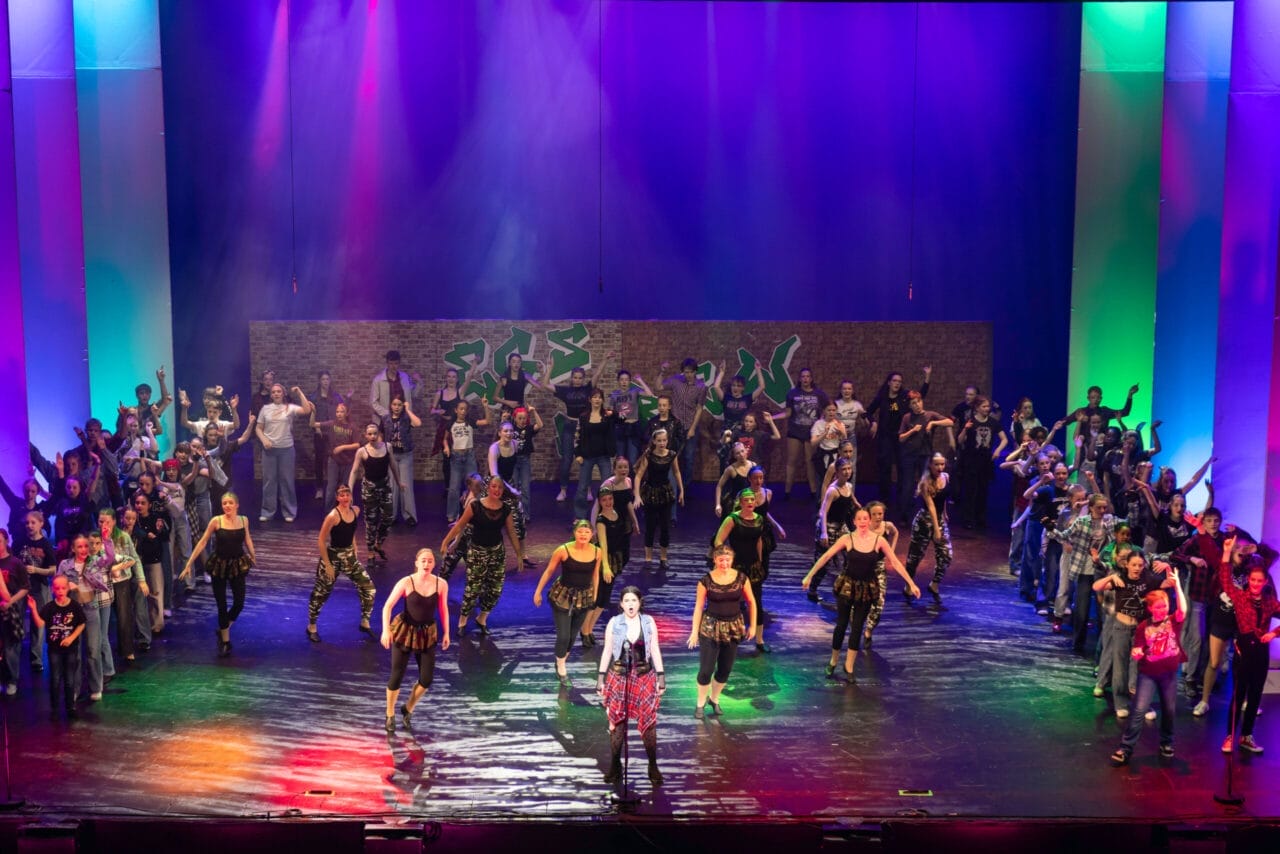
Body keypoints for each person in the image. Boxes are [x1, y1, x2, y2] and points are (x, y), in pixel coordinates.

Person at [804, 507, 919, 681]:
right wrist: (809, 575)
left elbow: (895, 562)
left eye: (867, 518)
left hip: (866, 589)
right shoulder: (847, 538)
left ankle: (849, 666)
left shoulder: (879, 541)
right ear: (855, 522)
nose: (864, 521)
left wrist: (911, 583)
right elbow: (826, 556)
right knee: (841, 625)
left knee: (857, 627)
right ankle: (833, 661)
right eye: (860, 519)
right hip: (847, 587)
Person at [1110, 571, 1188, 766]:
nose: (1163, 610)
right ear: (1151, 608)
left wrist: (1177, 585)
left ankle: (1166, 743)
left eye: (1165, 606)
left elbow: (1183, 609)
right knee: (1138, 710)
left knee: (1169, 710)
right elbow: (1138, 648)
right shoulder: (1143, 627)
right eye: (1159, 607)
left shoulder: (1173, 621)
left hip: (1169, 674)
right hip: (1148, 674)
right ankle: (1126, 748)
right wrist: (1136, 653)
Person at [1216, 536, 1280, 754]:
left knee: (1255, 695)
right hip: (1243, 648)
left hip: (1261, 650)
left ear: (1265, 583)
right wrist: (1226, 552)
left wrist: (1274, 633)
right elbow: (1224, 578)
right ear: (1248, 580)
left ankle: (1246, 736)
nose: (1255, 584)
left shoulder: (1271, 601)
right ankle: (1229, 736)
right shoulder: (1240, 596)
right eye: (1252, 580)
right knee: (1239, 693)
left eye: (1259, 581)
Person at [597, 586, 666, 786]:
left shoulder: (648, 621)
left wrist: (660, 675)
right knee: (617, 722)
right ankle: (615, 765)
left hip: (644, 677)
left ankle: (653, 765)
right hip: (619, 677)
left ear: (639, 603)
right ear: (621, 604)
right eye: (626, 601)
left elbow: (654, 649)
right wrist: (601, 677)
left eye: (634, 600)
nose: (630, 604)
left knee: (648, 722)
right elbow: (608, 650)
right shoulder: (614, 623)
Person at [1092, 550, 1174, 718]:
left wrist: (1167, 568)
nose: (1137, 568)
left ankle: (1141, 703)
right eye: (1134, 565)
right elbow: (1096, 586)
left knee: (1138, 666)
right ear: (1127, 564)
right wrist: (1109, 578)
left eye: (1140, 565)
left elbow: (1170, 583)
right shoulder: (1120, 578)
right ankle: (1120, 703)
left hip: (1139, 629)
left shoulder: (1149, 579)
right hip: (1121, 627)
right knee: (1120, 666)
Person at [381, 548, 450, 734]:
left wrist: (447, 633)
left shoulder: (441, 584)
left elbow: (443, 609)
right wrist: (385, 630)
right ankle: (390, 714)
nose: (426, 564)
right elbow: (387, 606)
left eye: (430, 561)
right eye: (423, 561)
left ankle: (408, 708)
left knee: (426, 679)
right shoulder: (406, 582)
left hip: (427, 634)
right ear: (416, 563)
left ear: (434, 564)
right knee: (397, 675)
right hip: (405, 631)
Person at [443, 476, 522, 635]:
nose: (497, 490)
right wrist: (446, 541)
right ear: (488, 488)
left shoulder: (505, 509)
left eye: (500, 488)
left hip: (496, 552)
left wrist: (519, 555)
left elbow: (512, 532)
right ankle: (463, 619)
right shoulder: (475, 506)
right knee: (473, 588)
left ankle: (482, 618)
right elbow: (460, 525)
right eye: (494, 486)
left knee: (495, 589)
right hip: (477, 551)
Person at [181, 492, 256, 658]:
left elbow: (248, 539)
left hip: (237, 564)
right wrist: (189, 563)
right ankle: (225, 641)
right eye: (224, 503)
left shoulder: (244, 520)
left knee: (239, 603)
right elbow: (203, 542)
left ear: (237, 505)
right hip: (219, 565)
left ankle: (223, 628)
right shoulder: (216, 521)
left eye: (230, 503)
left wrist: (253, 555)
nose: (227, 506)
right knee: (221, 604)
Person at [687, 544, 757, 719]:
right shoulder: (706, 581)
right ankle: (700, 703)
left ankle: (714, 699)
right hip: (710, 627)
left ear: (732, 560)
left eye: (727, 560)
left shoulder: (741, 578)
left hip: (733, 628)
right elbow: (698, 607)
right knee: (706, 669)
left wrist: (753, 626)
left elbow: (752, 602)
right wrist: (694, 632)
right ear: (715, 560)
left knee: (725, 668)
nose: (724, 563)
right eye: (721, 560)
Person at [533, 520, 602, 687]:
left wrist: (595, 595)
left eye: (587, 532)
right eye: (580, 532)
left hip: (584, 596)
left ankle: (562, 657)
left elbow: (595, 575)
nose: (583, 535)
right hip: (563, 595)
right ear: (575, 533)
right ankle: (561, 664)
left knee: (572, 635)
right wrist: (538, 591)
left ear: (592, 534)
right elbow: (549, 570)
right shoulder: (563, 550)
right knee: (563, 635)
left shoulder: (597, 552)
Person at [307, 485, 375, 643]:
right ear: (337, 498)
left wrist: (355, 548)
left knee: (369, 588)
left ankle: (365, 622)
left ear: (351, 496)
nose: (345, 498)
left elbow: (351, 531)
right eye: (341, 495)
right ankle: (311, 626)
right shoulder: (332, 516)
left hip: (349, 556)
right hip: (333, 556)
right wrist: (328, 565)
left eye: (347, 494)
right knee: (321, 593)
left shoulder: (355, 511)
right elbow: (321, 541)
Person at [56, 532, 114, 702]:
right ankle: (74, 688)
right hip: (73, 611)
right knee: (75, 653)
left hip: (91, 608)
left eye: (85, 546)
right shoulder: (65, 565)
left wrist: (106, 539)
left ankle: (96, 687)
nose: (83, 549)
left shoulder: (94, 562)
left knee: (93, 650)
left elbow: (110, 558)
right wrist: (67, 586)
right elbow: (57, 584)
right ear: (73, 549)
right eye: (79, 546)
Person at [866, 367, 931, 510]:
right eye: (894, 381)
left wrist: (927, 378)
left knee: (903, 469)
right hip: (885, 437)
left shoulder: (905, 395)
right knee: (885, 468)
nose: (897, 383)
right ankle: (884, 500)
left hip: (902, 437)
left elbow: (921, 395)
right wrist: (873, 422)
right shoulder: (882, 396)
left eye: (899, 381)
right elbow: (868, 412)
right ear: (889, 382)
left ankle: (903, 500)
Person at [712, 488, 769, 652]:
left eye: (753, 500)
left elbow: (758, 540)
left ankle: (759, 640)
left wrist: (760, 560)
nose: (751, 502)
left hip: (753, 566)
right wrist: (726, 560)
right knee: (731, 602)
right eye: (747, 500)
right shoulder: (733, 519)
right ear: (741, 502)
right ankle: (727, 636)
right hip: (736, 566)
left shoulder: (759, 519)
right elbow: (718, 540)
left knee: (757, 602)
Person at [254, 383, 314, 522]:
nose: (276, 394)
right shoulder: (265, 409)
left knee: (286, 481)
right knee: (269, 482)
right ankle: (268, 512)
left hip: (286, 449)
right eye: (274, 392)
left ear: (283, 393)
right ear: (271, 394)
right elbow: (258, 428)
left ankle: (289, 512)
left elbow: (307, 410)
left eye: (278, 391)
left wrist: (299, 392)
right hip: (269, 450)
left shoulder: (289, 408)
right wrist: (264, 440)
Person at [32, 575, 85, 720]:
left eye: (63, 588)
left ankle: (70, 707)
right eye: (57, 588)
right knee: (55, 678)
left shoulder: (74, 606)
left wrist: (71, 638)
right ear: (52, 589)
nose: (60, 591)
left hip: (71, 648)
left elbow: (81, 623)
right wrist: (33, 610)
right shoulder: (49, 607)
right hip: (54, 649)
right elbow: (40, 624)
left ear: (68, 588)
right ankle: (55, 709)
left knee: (69, 679)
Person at [771, 368, 829, 499]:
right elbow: (788, 413)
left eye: (808, 376)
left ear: (811, 378)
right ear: (799, 378)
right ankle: (787, 491)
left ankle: (813, 491)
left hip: (811, 432)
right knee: (791, 461)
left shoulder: (819, 394)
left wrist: (823, 421)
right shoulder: (792, 393)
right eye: (803, 376)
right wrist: (772, 418)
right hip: (795, 432)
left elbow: (828, 409)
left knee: (810, 461)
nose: (805, 379)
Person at [582, 485, 629, 646]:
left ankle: (590, 629)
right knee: (597, 597)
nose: (608, 502)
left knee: (604, 599)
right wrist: (606, 566)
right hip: (604, 561)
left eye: (610, 499)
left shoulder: (618, 514)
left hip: (615, 559)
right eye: (604, 500)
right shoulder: (601, 520)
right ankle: (584, 630)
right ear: (600, 502)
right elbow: (603, 545)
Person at [903, 453, 953, 604]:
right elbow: (931, 506)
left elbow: (943, 499)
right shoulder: (925, 482)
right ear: (930, 465)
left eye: (942, 464)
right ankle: (908, 585)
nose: (940, 467)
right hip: (924, 522)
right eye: (936, 464)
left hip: (939, 520)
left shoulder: (946, 477)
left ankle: (934, 585)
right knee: (915, 557)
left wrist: (944, 513)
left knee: (946, 555)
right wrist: (936, 529)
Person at [896, 392, 953, 521]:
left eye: (918, 402)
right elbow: (900, 438)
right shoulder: (907, 417)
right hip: (909, 456)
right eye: (913, 403)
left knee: (925, 484)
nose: (917, 405)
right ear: (910, 406)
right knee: (908, 486)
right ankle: (905, 516)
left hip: (925, 455)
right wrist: (912, 431)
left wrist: (933, 423)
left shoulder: (930, 415)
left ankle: (927, 513)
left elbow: (950, 422)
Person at [659, 358, 709, 506]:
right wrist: (662, 371)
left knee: (689, 458)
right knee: (672, 457)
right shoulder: (675, 381)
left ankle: (684, 488)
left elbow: (699, 408)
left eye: (690, 372)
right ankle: (670, 487)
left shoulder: (701, 387)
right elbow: (659, 387)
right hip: (675, 426)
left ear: (695, 372)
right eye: (685, 372)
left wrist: (693, 428)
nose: (687, 374)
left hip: (690, 426)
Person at [954, 396, 1008, 530]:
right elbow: (960, 441)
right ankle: (967, 519)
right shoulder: (971, 421)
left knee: (983, 490)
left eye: (988, 406)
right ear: (977, 408)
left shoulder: (993, 422)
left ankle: (980, 518)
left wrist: (997, 451)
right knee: (970, 490)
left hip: (985, 460)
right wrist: (965, 429)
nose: (987, 409)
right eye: (984, 407)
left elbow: (1004, 439)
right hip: (971, 459)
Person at [349, 422, 399, 562]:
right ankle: (370, 552)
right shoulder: (362, 451)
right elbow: (354, 471)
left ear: (379, 434)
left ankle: (378, 544)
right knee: (371, 521)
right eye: (369, 434)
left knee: (388, 518)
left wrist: (399, 481)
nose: (372, 436)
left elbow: (393, 465)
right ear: (366, 435)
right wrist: (350, 490)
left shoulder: (387, 447)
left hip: (384, 486)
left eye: (374, 433)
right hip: (369, 489)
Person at [634, 428, 683, 571]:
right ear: (654, 441)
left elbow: (677, 472)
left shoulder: (672, 455)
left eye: (664, 440)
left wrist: (681, 490)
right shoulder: (649, 455)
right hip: (650, 493)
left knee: (665, 527)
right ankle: (648, 558)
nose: (662, 443)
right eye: (659, 440)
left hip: (665, 492)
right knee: (650, 526)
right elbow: (638, 476)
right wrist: (637, 495)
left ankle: (663, 557)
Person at [13, 511, 56, 670]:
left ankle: (36, 659)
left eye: (33, 522)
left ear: (40, 524)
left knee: (38, 623)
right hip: (20, 588)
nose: (29, 526)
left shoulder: (45, 545)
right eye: (27, 523)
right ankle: (14, 657)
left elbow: (52, 569)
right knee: (16, 621)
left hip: (38, 587)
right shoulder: (18, 542)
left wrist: (36, 570)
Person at [442, 399, 489, 525]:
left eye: (465, 409)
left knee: (475, 484)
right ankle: (452, 515)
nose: (463, 411)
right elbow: (445, 439)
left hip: (469, 456)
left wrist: (485, 406)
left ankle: (477, 512)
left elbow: (487, 421)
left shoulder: (470, 422)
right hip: (456, 457)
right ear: (456, 410)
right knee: (453, 488)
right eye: (461, 409)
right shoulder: (450, 423)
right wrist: (446, 447)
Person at [573, 388, 616, 517]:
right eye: (595, 397)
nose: (597, 399)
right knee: (582, 487)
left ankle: (606, 514)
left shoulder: (607, 416)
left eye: (600, 397)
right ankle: (580, 517)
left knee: (607, 487)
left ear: (603, 400)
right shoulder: (583, 417)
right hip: (587, 456)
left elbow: (621, 418)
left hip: (603, 456)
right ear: (590, 399)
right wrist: (578, 454)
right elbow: (577, 436)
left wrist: (613, 414)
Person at [862, 501, 898, 649]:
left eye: (880, 514)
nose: (878, 517)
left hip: (879, 569)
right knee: (858, 603)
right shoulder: (863, 528)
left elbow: (896, 533)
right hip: (862, 570)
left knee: (879, 603)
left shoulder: (887, 526)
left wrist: (891, 551)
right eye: (874, 514)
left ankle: (868, 632)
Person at [382, 396, 422, 526]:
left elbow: (418, 423)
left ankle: (409, 515)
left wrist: (408, 410)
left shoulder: (406, 418)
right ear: (391, 405)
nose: (397, 407)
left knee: (406, 485)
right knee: (392, 487)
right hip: (391, 456)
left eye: (399, 404)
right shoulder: (385, 419)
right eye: (394, 404)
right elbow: (380, 436)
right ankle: (392, 516)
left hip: (405, 455)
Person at [0, 530, 31, 694]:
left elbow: (25, 587)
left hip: (12, 607)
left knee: (12, 644)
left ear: (6, 541)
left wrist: (10, 601)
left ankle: (12, 680)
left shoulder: (15, 563)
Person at [608, 368, 653, 467]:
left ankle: (632, 481)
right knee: (620, 458)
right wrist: (613, 413)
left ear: (629, 381)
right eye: (622, 379)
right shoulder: (614, 394)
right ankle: (620, 482)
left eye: (626, 379)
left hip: (634, 427)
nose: (624, 382)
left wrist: (640, 380)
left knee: (633, 459)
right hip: (620, 427)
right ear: (618, 381)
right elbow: (611, 411)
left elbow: (649, 394)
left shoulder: (634, 391)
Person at [509, 406, 543, 523]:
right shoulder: (511, 428)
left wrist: (534, 411)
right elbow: (501, 433)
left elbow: (540, 425)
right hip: (513, 460)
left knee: (525, 489)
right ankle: (512, 515)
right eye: (520, 418)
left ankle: (525, 515)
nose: (522, 420)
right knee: (513, 488)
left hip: (524, 460)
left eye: (524, 418)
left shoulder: (528, 428)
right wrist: (504, 420)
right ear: (515, 419)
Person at [370, 350, 420, 419]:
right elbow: (373, 402)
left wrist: (419, 382)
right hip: (385, 420)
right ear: (387, 364)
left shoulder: (404, 377)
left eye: (396, 363)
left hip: (403, 418)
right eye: (391, 363)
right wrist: (387, 414)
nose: (393, 366)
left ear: (399, 363)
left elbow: (413, 395)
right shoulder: (378, 380)